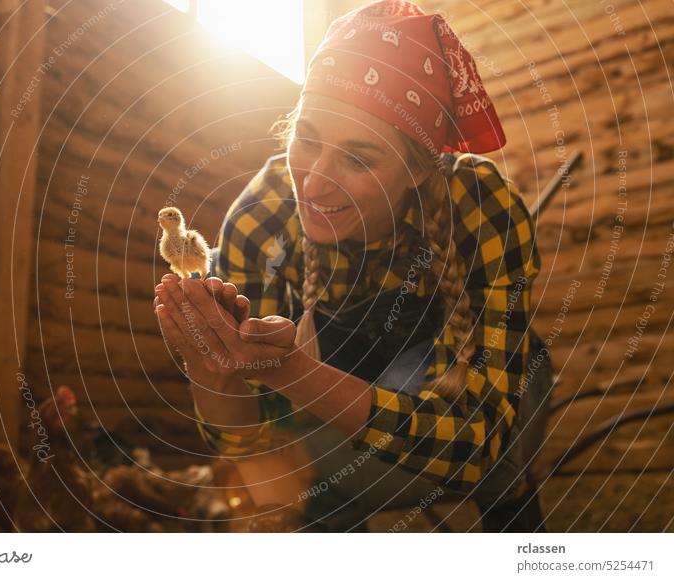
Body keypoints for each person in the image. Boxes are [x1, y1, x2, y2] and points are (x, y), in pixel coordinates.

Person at [154, 0, 554, 532]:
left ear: (416, 170)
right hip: (340, 413)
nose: (314, 184)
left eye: (359, 158)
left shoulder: (479, 206)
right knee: (280, 483)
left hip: (471, 413)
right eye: (309, 140)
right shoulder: (263, 220)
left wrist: (290, 371)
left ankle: (510, 520)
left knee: (487, 448)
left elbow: (477, 440)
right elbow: (246, 444)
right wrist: (216, 370)